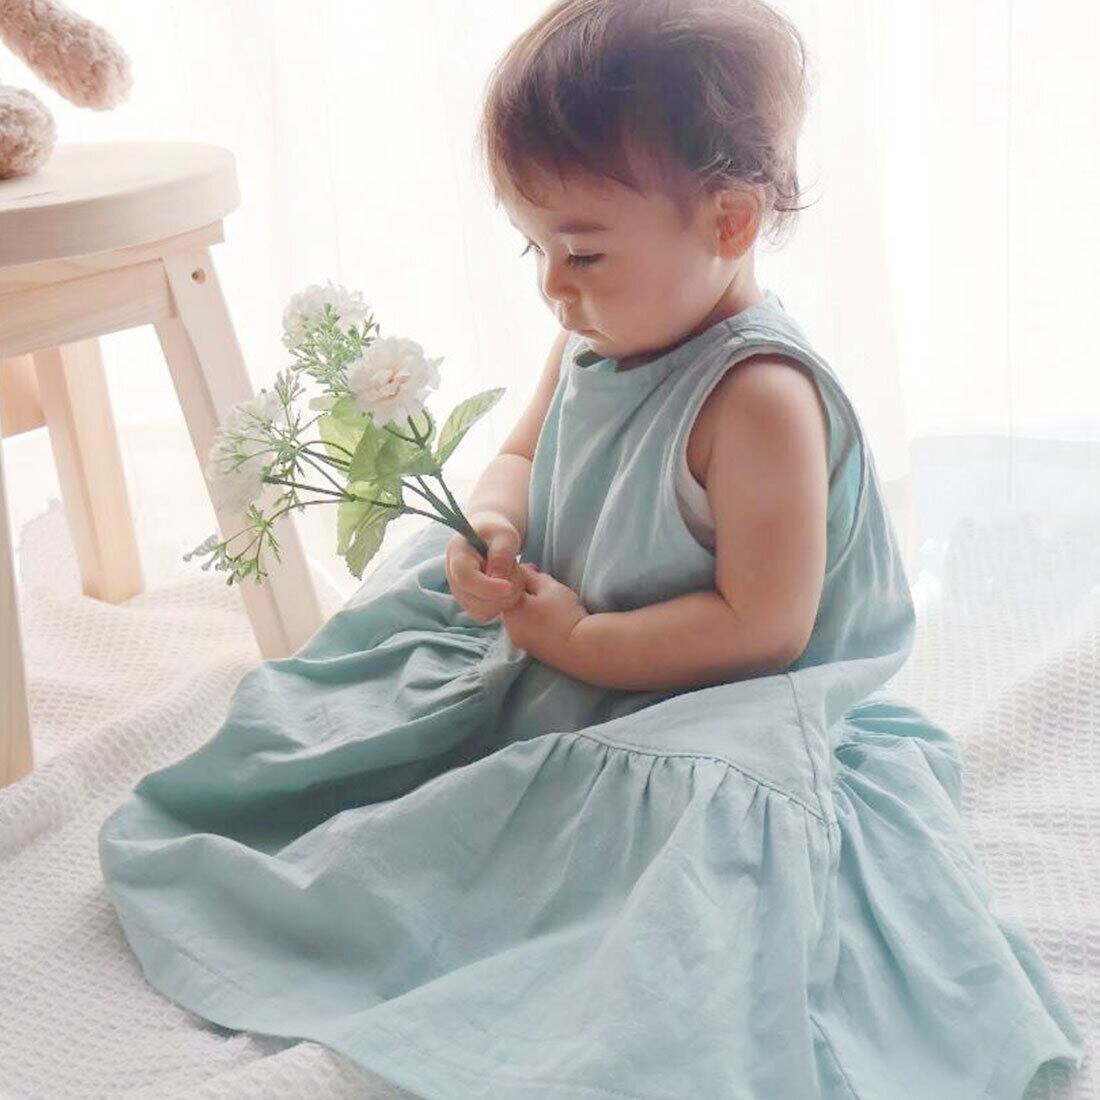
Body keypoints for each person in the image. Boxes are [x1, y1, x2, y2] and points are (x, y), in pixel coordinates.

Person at [98, 1, 1087, 1096]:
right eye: (533, 246)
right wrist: (493, 526)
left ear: (729, 222)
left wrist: (580, 640)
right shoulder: (593, 328)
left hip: (718, 689)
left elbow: (765, 627)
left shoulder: (758, 398)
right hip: (572, 633)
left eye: (579, 251)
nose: (550, 287)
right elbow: (522, 451)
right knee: (352, 757)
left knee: (675, 871)